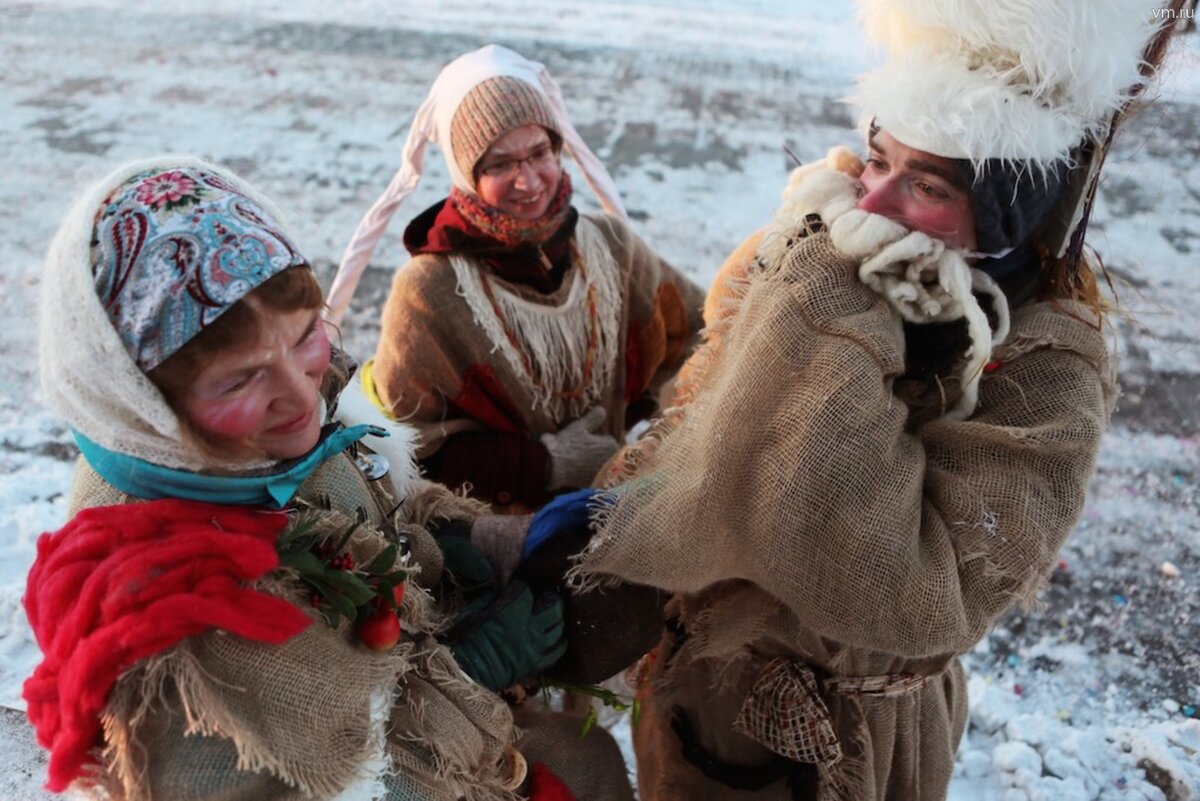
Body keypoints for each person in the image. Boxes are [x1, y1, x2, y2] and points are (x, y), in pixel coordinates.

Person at [566, 2, 1171, 799]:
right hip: (696, 695)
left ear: (1004, 215)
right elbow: (701, 415)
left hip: (845, 744)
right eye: (878, 159)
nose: (874, 203)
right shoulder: (803, 244)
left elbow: (919, 591)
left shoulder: (1044, 364)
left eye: (926, 184)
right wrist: (609, 530)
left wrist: (830, 323)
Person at [25, 157, 634, 801]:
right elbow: (341, 785)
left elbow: (364, 487)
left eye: (304, 334)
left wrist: (462, 539)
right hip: (433, 764)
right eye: (239, 379)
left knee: (589, 759)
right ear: (143, 403)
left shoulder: (274, 434)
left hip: (470, 739)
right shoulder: (170, 619)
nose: (298, 395)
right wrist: (467, 678)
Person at [326, 45, 705, 512]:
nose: (528, 182)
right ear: (467, 174)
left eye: (539, 153)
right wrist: (545, 464)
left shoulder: (610, 247)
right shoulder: (430, 291)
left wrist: (651, 429)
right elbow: (412, 447)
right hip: (505, 534)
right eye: (499, 164)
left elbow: (700, 332)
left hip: (625, 502)